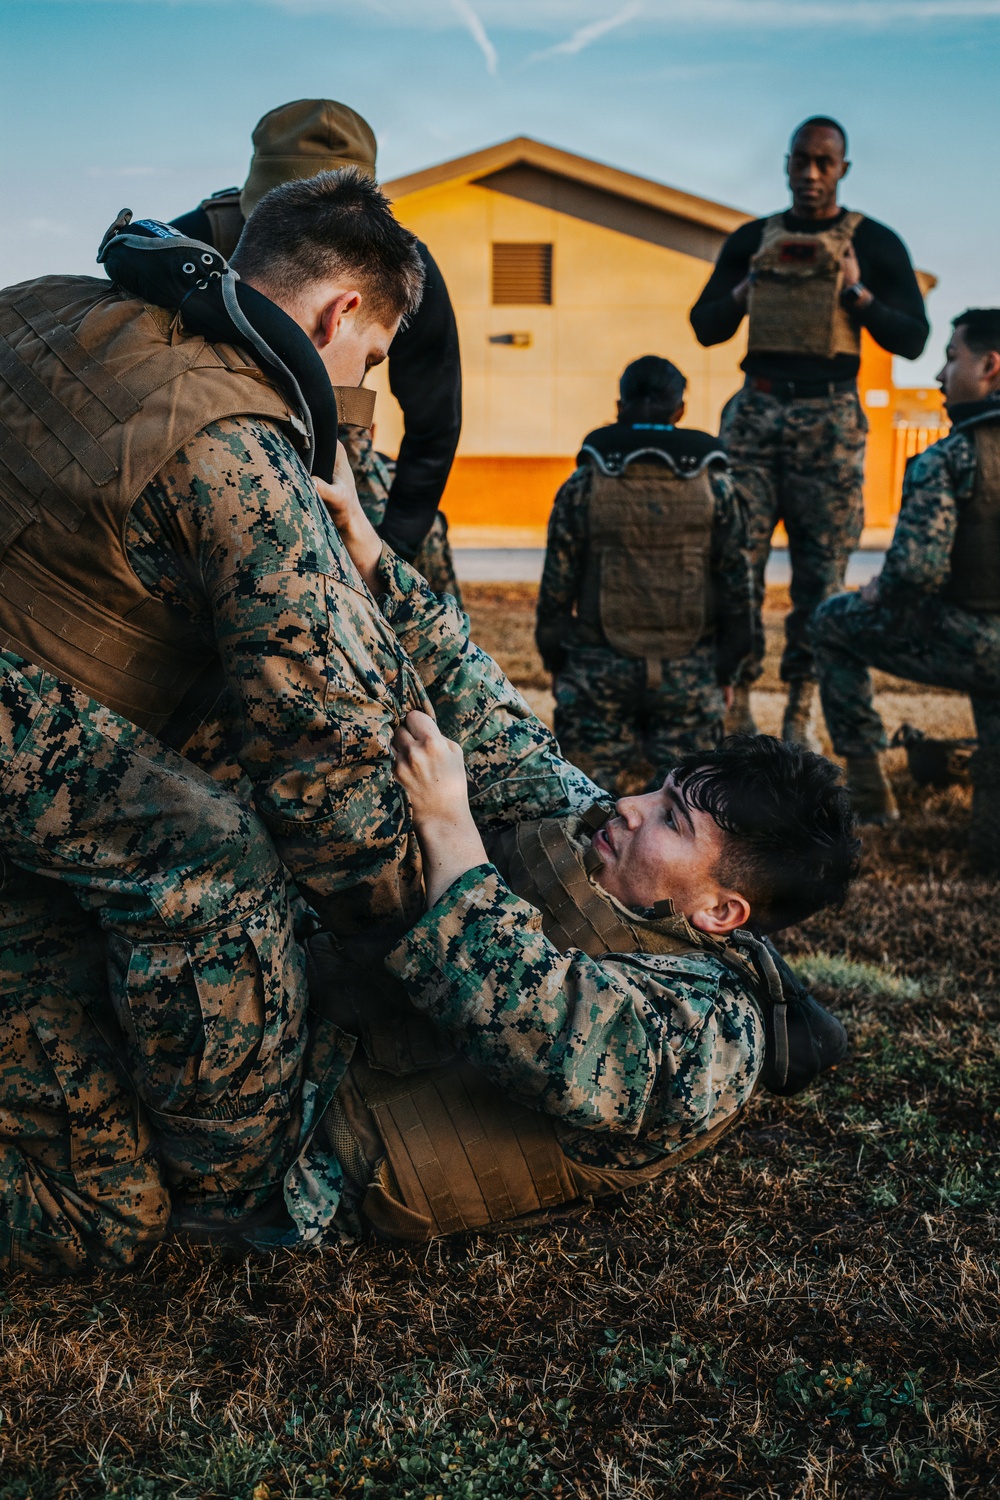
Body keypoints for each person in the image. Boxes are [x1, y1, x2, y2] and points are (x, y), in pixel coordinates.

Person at [0, 175, 599, 1273]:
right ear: (340, 318)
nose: (357, 385)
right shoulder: (238, 441)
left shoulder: (45, 301)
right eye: (369, 363)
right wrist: (425, 938)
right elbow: (322, 762)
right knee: (208, 860)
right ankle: (227, 1208)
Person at [303, 484, 857, 1244]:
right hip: (312, 1050)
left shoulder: (716, 1039)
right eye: (658, 792)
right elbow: (484, 702)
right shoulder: (600, 838)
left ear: (721, 912)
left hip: (310, 1169)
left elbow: (539, 1022)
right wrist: (363, 543)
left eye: (671, 820)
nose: (629, 806)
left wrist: (449, 825)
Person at [690, 116, 928, 747]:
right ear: (787, 164)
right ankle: (734, 711)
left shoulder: (873, 241)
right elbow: (704, 325)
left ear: (843, 169)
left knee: (821, 576)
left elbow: (913, 338)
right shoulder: (752, 239)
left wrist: (858, 295)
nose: (812, 174)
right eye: (802, 161)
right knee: (735, 565)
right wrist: (745, 289)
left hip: (830, 420)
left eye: (825, 163)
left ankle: (801, 715)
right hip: (756, 414)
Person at [171, 98, 463, 600]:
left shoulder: (401, 270)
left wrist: (387, 550)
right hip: (198, 432)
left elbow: (435, 421)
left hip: (335, 448)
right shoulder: (191, 245)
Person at [811, 309, 1000, 865]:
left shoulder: (951, 458)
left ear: (990, 366)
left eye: (951, 357)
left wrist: (881, 593)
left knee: (831, 623)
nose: (941, 376)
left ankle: (871, 795)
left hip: (981, 643)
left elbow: (916, 574)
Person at [535, 356, 753, 794]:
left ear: (620, 406)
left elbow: (556, 588)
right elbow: (737, 589)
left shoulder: (583, 483)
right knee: (687, 808)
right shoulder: (718, 487)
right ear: (680, 410)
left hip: (597, 672)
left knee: (582, 807)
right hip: (691, 674)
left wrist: (558, 661)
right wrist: (726, 670)